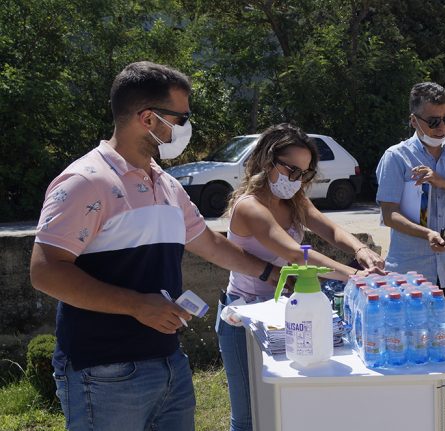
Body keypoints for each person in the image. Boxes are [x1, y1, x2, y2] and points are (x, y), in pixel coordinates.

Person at [29, 61, 279, 431]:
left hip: (168, 361)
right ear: (148, 118)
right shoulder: (86, 181)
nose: (187, 127)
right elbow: (45, 270)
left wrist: (273, 273)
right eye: (182, 118)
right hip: (104, 370)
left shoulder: (165, 183)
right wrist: (136, 305)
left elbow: (209, 243)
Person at [216, 123, 385, 431]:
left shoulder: (293, 200)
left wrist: (360, 249)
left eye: (304, 174)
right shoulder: (250, 207)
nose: (296, 180)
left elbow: (330, 229)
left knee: (282, 410)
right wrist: (354, 275)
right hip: (243, 319)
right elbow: (296, 254)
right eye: (291, 170)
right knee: (249, 417)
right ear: (267, 160)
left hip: (284, 315)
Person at [376, 82, 445, 431]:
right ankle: (409, 420)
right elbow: (389, 214)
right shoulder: (396, 157)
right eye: (433, 121)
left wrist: (442, 182)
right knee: (407, 349)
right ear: (414, 120)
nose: (441, 128)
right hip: (409, 277)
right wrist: (426, 234)